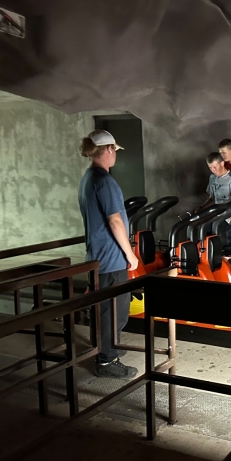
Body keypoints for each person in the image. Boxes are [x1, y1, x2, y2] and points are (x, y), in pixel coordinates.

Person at [78, 129, 140, 378]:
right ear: (110, 149)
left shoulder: (88, 177)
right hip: (111, 258)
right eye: (115, 150)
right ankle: (106, 361)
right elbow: (115, 221)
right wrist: (130, 254)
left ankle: (107, 347)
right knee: (115, 312)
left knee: (105, 309)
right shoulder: (105, 181)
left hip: (97, 255)